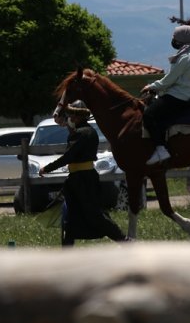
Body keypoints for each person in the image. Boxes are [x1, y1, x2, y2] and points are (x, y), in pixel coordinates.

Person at [39, 100, 128, 246]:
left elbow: (69, 156)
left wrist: (47, 168)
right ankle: (67, 248)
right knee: (72, 216)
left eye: (72, 115)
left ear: (78, 116)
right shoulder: (87, 131)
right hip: (82, 178)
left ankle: (123, 240)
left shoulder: (80, 134)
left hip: (82, 181)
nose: (70, 118)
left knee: (95, 215)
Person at [141, 24, 190, 165]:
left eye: (175, 37)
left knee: (148, 115)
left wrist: (151, 87)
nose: (173, 40)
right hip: (188, 96)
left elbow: (169, 79)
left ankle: (160, 149)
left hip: (178, 96)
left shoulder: (185, 57)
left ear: (182, 39)